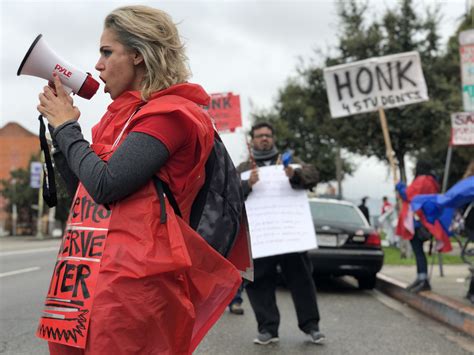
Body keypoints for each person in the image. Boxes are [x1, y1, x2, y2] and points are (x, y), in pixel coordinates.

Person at [36, 5, 241, 354]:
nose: (97, 64)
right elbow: (85, 192)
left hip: (132, 281)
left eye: (107, 52)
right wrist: (60, 136)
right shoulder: (118, 120)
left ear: (139, 55)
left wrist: (67, 128)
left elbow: (108, 185)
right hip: (85, 275)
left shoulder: (171, 115)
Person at [238, 122, 325, 345]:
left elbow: (313, 175)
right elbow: (230, 192)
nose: (264, 139)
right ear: (252, 141)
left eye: (268, 135)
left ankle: (311, 326)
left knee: (302, 280)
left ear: (273, 139)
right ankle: (268, 329)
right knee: (259, 283)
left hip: (290, 236)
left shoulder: (289, 163)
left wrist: (294, 175)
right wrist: (248, 184)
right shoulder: (244, 167)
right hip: (261, 238)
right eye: (260, 136)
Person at [395, 160, 451, 293]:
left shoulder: (422, 180)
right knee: (419, 251)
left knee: (418, 251)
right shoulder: (433, 182)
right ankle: (421, 277)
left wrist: (400, 187)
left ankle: (422, 278)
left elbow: (409, 195)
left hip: (418, 221)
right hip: (428, 221)